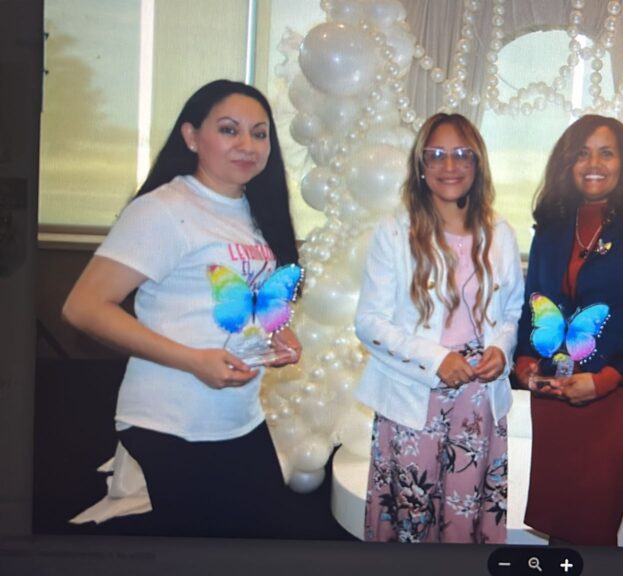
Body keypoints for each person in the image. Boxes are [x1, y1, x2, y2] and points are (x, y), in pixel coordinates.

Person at [63, 79, 303, 537]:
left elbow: (228, 299)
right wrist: (192, 360)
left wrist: (274, 334)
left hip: (238, 415)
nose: (248, 144)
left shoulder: (254, 209)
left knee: (260, 540)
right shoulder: (164, 209)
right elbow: (84, 308)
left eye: (259, 133)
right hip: (172, 420)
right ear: (191, 136)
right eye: (229, 130)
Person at [354, 113, 523, 544]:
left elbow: (512, 311)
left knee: (465, 515)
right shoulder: (395, 233)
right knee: (411, 519)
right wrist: (437, 360)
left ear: (478, 164)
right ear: (421, 166)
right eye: (437, 155)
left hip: (479, 397)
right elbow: (369, 322)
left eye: (462, 154)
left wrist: (501, 350)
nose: (450, 166)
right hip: (413, 394)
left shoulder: (500, 233)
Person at [513, 115, 623, 546]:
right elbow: (534, 302)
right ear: (567, 163)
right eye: (582, 153)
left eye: (607, 153)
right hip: (556, 390)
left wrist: (604, 380)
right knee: (561, 521)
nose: (594, 163)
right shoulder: (552, 224)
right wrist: (525, 362)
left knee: (594, 525)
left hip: (619, 393)